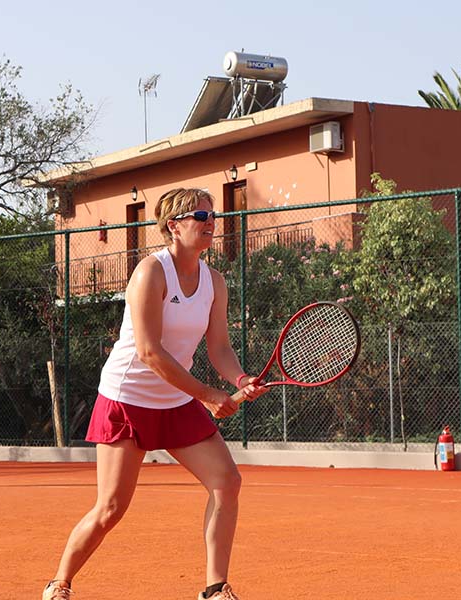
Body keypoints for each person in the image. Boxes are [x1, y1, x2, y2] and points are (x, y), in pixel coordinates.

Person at [42, 188, 268, 600]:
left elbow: (218, 348)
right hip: (127, 398)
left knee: (227, 482)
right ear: (173, 225)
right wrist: (206, 395)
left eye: (212, 215)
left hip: (176, 401)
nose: (210, 221)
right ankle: (59, 583)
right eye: (200, 214)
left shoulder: (214, 282)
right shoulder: (150, 273)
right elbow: (149, 351)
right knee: (110, 509)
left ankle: (215, 589)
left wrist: (238, 380)